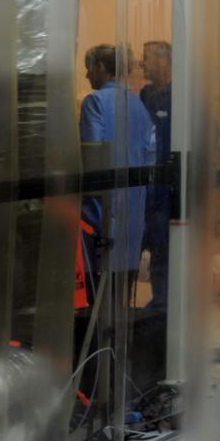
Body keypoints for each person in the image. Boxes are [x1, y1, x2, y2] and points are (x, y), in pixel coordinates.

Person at [80, 44, 156, 304]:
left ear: (101, 67)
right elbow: (150, 158)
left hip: (102, 213)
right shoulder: (138, 105)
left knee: (98, 296)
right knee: (121, 295)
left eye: (89, 69)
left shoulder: (95, 103)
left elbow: (94, 162)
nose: (87, 76)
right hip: (134, 212)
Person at [139, 40, 173, 308]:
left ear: (165, 61)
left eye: (147, 58)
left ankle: (164, 303)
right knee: (152, 245)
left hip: (171, 188)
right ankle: (158, 300)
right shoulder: (145, 96)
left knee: (166, 248)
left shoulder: (181, 97)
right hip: (148, 187)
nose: (143, 64)